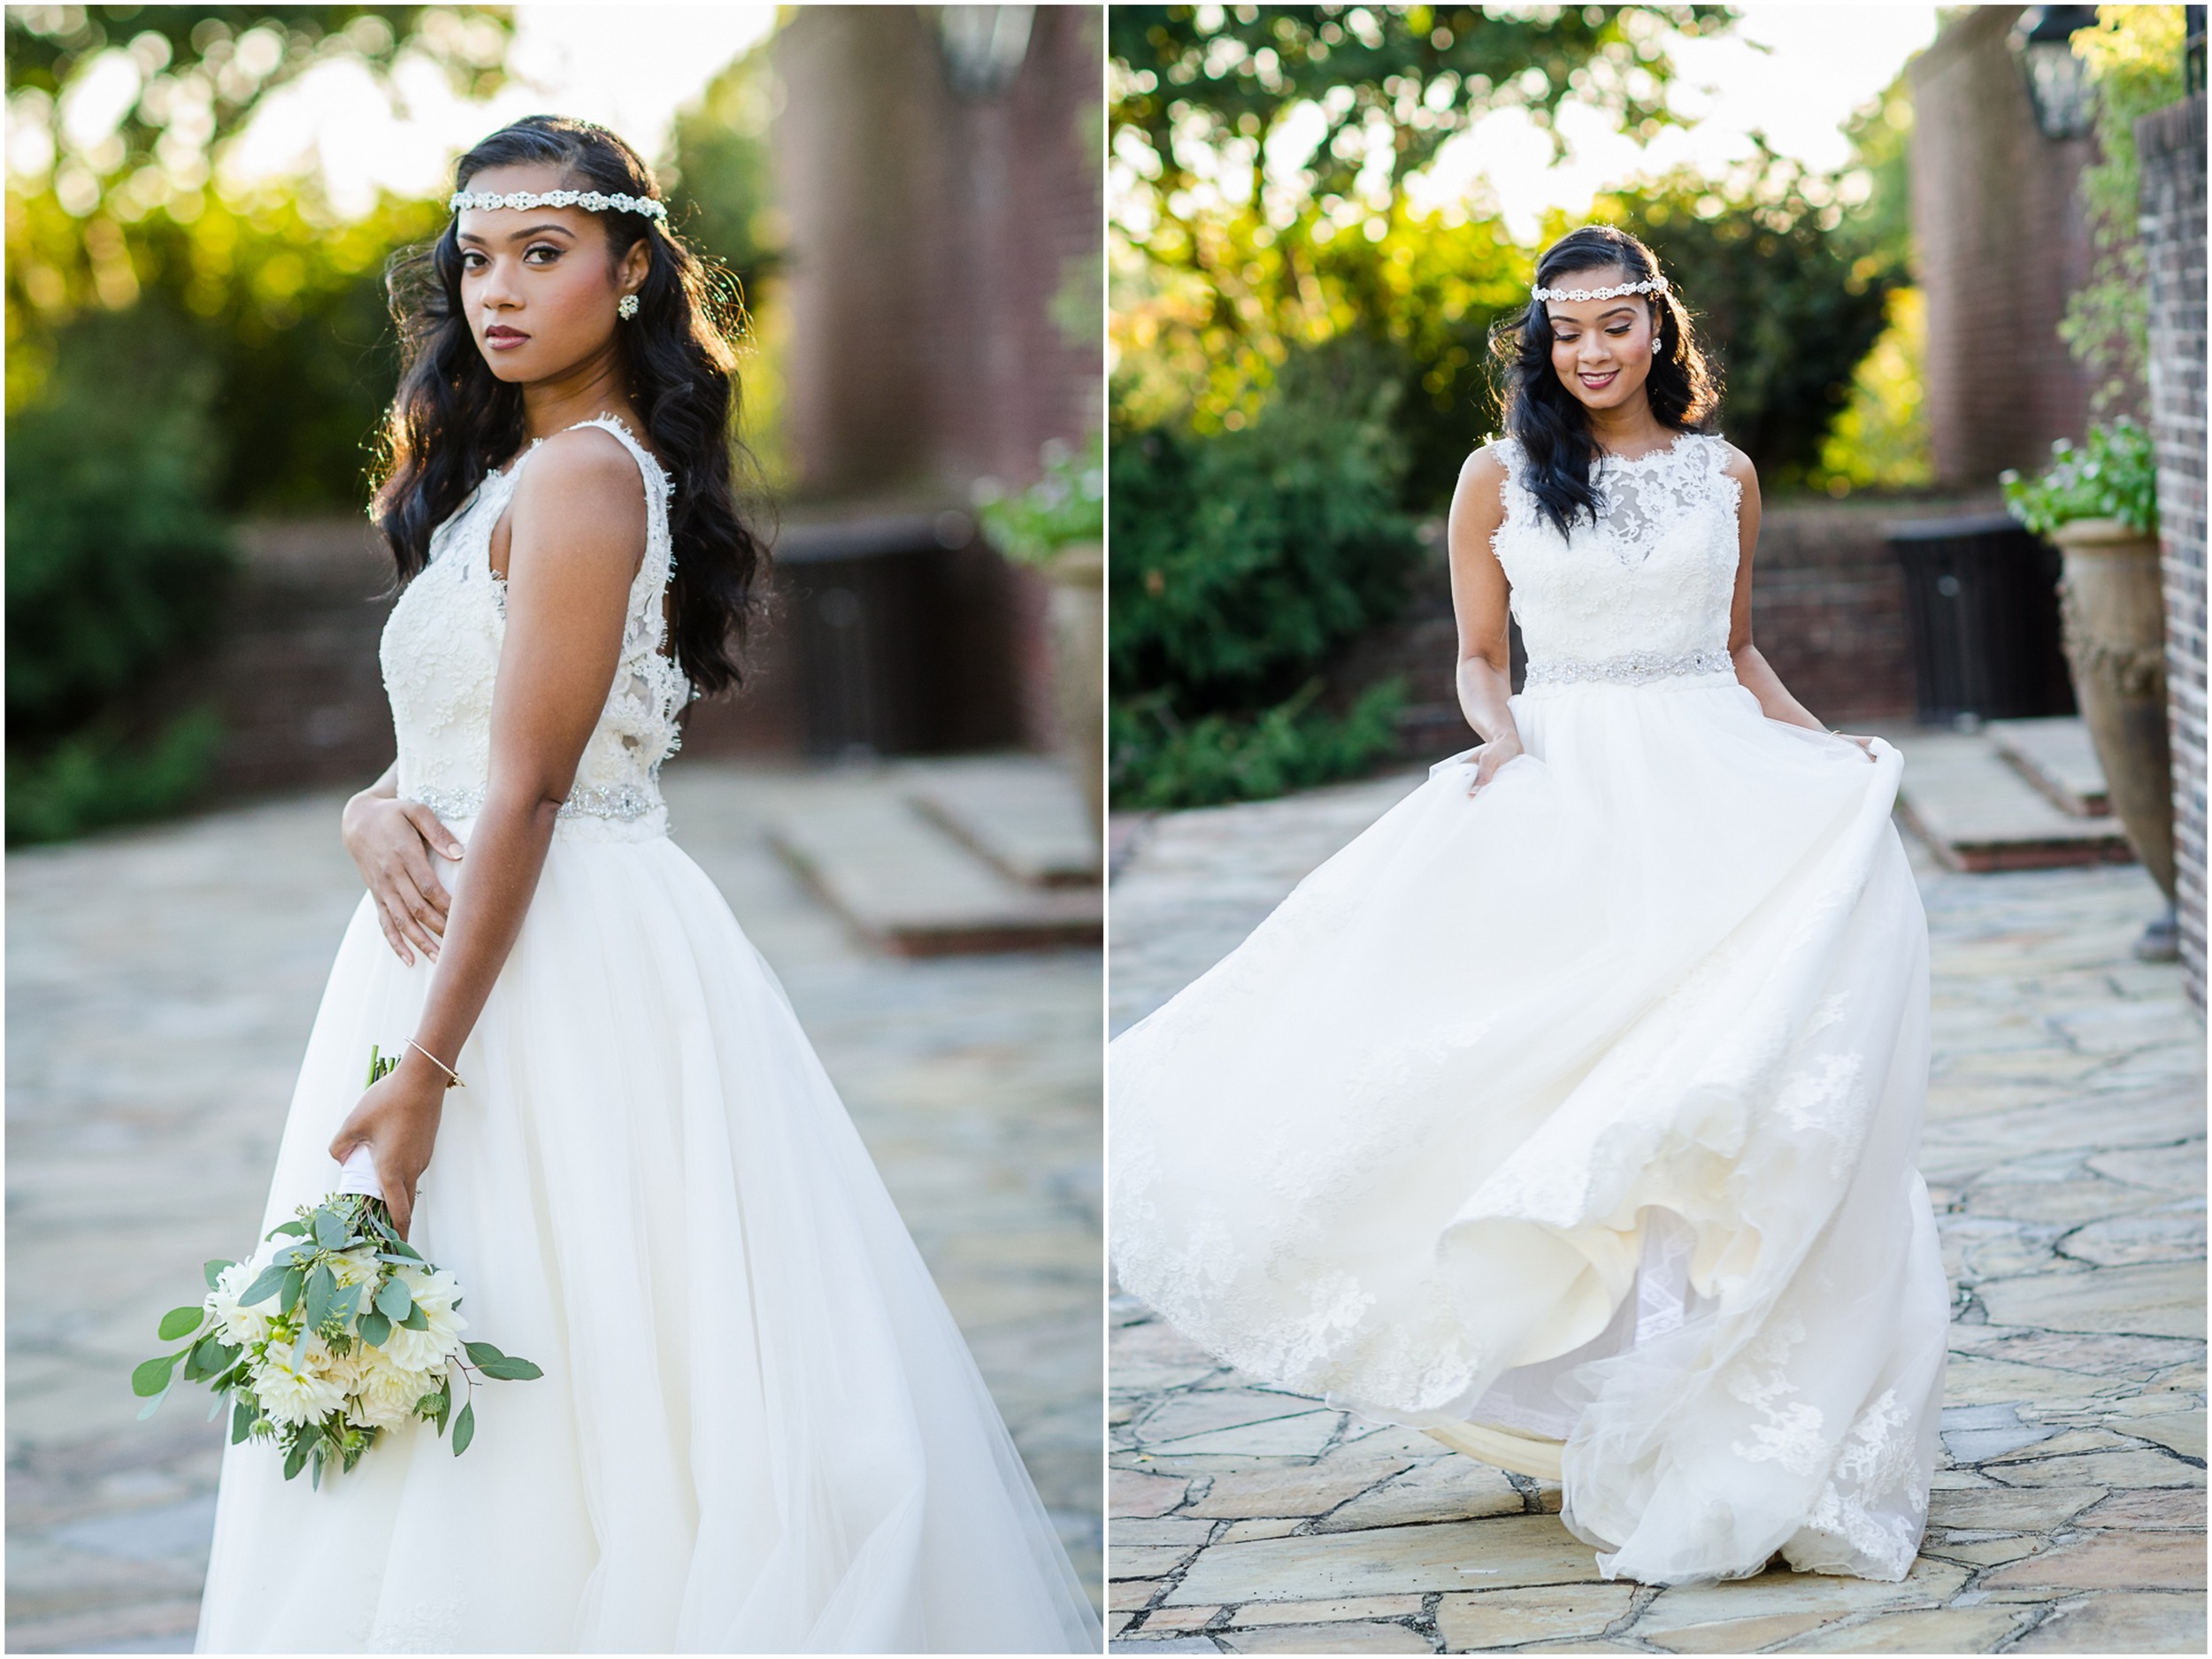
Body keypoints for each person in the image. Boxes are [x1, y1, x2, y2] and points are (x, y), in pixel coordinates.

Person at [193, 117, 1100, 1654]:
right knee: (497, 1320)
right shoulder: (515, 476)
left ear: (628, 275)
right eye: (475, 258)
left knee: (586, 1328)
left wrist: (424, 1072)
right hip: (460, 930)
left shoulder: (590, 483)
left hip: (548, 963)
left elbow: (533, 787)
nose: (498, 289)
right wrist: (369, 810)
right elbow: (460, 744)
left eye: (541, 253)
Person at [1109, 224, 1950, 1587]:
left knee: (1719, 1088)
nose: (1592, 351)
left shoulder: (1723, 477)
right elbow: (1479, 656)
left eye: (1615, 324)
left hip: (1718, 792)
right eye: (1566, 330)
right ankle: (1595, 1394)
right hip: (1574, 791)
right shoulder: (1497, 477)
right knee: (1555, 1084)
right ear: (1542, 344)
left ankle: (1714, 1400)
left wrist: (1828, 748)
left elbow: (1737, 649)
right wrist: (1497, 741)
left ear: (1658, 330)